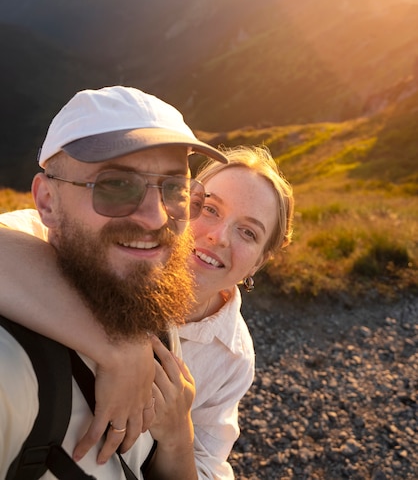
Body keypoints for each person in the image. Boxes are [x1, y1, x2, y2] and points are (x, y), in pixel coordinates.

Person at [1, 145, 294, 479]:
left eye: (248, 232)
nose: (219, 237)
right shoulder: (107, 245)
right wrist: (124, 345)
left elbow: (205, 470)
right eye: (210, 209)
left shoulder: (231, 358)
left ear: (257, 263)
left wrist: (177, 435)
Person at [0, 84, 228, 480]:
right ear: (47, 202)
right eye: (116, 185)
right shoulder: (10, 370)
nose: (156, 218)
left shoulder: (148, 303)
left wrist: (177, 435)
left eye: (174, 188)